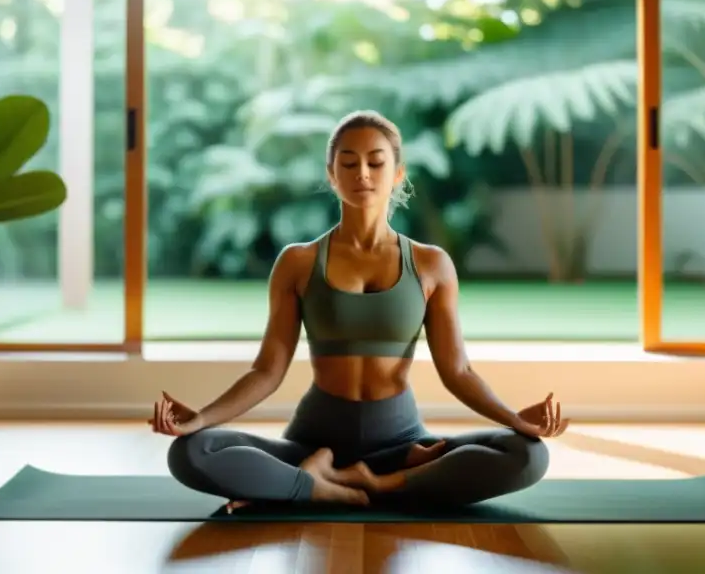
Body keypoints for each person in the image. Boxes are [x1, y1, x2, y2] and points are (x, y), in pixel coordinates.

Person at [149, 110, 569, 512]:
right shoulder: (298, 261)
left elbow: (457, 371)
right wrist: (200, 418)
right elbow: (267, 371)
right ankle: (320, 483)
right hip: (313, 448)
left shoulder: (430, 264)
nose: (362, 174)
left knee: (526, 454)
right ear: (332, 177)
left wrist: (515, 418)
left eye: (375, 162)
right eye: (347, 164)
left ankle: (357, 483)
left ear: (397, 173)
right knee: (191, 451)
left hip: (403, 445)